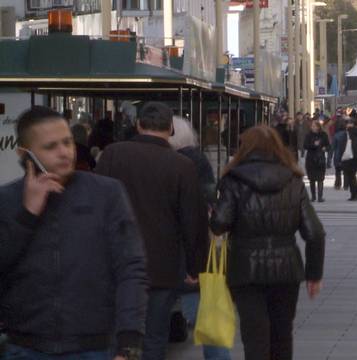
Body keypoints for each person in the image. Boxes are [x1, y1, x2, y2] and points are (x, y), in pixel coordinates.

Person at [0, 106, 148, 359]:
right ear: (25, 154)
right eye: (50, 146)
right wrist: (27, 216)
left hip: (95, 346)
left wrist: (129, 343)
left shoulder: (106, 193)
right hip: (24, 346)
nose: (64, 153)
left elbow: (131, 267)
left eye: (67, 142)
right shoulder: (8, 200)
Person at [96, 102, 208, 360]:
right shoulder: (182, 165)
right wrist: (195, 267)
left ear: (138, 125)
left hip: (117, 263)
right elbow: (193, 221)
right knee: (155, 337)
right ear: (170, 129)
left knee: (116, 335)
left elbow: (97, 203)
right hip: (163, 267)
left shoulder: (113, 154)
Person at [209, 125, 325, 360]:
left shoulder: (233, 180)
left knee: (254, 337)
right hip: (286, 268)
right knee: (282, 334)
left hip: (245, 269)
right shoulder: (293, 180)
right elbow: (315, 233)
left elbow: (220, 223)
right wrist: (314, 275)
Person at [168, 117, 230, 360]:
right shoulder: (197, 160)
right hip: (196, 255)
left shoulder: (169, 161)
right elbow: (208, 200)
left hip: (169, 255)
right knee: (209, 322)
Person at [337, 119, 357, 201]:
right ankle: (355, 194)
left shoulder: (349, 133)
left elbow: (342, 145)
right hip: (356, 157)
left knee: (351, 177)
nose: (347, 125)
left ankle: (354, 194)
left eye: (348, 124)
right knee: (352, 176)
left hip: (349, 157)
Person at [304, 120, 330, 202]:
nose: (313, 127)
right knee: (312, 179)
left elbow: (328, 145)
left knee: (320, 179)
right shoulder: (308, 135)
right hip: (311, 159)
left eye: (315, 126)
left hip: (320, 159)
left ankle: (320, 197)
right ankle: (313, 196)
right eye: (312, 126)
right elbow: (305, 146)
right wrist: (313, 145)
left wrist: (325, 148)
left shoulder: (323, 135)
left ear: (319, 127)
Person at [332, 119, 348, 190]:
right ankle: (346, 185)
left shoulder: (336, 135)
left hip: (337, 155)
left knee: (337, 171)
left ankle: (338, 184)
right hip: (346, 154)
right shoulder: (347, 134)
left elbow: (333, 146)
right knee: (346, 171)